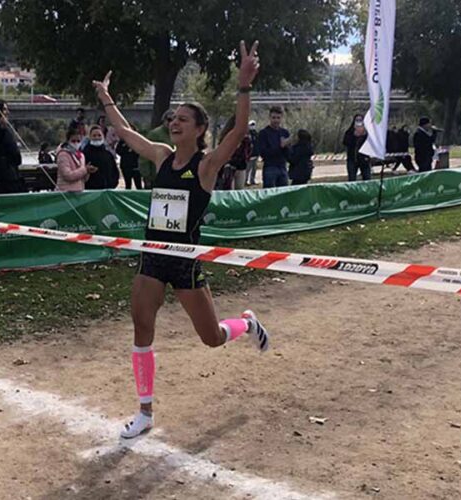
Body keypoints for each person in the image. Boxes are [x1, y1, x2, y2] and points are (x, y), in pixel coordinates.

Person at [94, 40, 269, 439]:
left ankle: (246, 323)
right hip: (153, 255)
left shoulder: (206, 166)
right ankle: (144, 412)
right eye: (173, 118)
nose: (175, 123)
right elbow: (124, 131)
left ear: (200, 130)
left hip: (185, 260)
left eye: (184, 120)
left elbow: (240, 129)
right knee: (141, 325)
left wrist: (243, 85)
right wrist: (106, 99)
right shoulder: (159, 156)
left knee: (211, 338)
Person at [0, 99, 26, 194]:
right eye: (4, 109)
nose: (7, 112)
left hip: (4, 175)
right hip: (6, 177)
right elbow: (14, 154)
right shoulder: (0, 130)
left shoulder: (1, 129)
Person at [256, 105, 292, 188]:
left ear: (281, 118)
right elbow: (263, 152)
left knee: (283, 193)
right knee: (270, 192)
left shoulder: (284, 132)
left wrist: (286, 147)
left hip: (282, 166)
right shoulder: (264, 133)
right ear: (269, 118)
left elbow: (289, 154)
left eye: (278, 118)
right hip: (270, 167)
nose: (276, 120)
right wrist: (280, 147)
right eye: (274, 117)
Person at [138, 110, 175, 188]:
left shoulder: (176, 134)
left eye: (174, 120)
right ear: (163, 120)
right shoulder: (155, 134)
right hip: (155, 176)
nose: (172, 122)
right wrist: (147, 176)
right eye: (169, 119)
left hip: (171, 175)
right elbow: (144, 155)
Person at [83, 125, 120, 190]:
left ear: (103, 137)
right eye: (94, 135)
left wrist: (112, 184)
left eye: (99, 135)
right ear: (90, 137)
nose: (97, 137)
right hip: (90, 191)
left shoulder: (108, 154)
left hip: (107, 191)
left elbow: (115, 172)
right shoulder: (84, 154)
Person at [343, 115, 371, 181]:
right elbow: (345, 142)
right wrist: (354, 136)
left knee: (367, 179)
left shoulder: (367, 133)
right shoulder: (349, 132)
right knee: (352, 179)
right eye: (357, 120)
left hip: (364, 159)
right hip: (352, 159)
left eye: (360, 120)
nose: (359, 122)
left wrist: (365, 134)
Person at [245, 120, 260, 186]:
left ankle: (252, 180)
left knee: (254, 169)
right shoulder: (247, 134)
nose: (252, 126)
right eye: (251, 125)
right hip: (250, 155)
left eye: (253, 125)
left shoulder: (256, 134)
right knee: (248, 169)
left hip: (256, 154)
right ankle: (245, 181)